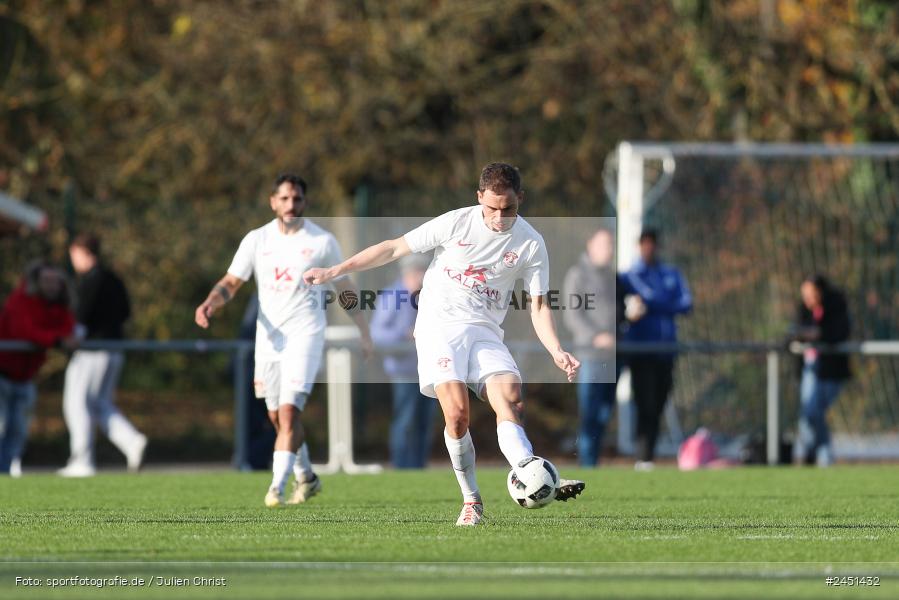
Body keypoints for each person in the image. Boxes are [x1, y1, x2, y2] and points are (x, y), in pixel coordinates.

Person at [303, 162, 585, 526]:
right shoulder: (456, 222)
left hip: (484, 330)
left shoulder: (530, 242)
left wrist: (555, 348)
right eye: (492, 208)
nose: (500, 218)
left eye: (509, 209)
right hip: (439, 326)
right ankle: (472, 500)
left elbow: (539, 304)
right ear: (479, 196)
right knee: (457, 414)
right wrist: (333, 272)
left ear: (521, 199)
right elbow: (392, 249)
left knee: (511, 397)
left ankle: (531, 473)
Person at [195, 173, 372, 507]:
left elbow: (344, 289)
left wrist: (363, 328)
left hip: (305, 334)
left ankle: (276, 487)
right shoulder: (257, 240)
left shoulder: (322, 242)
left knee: (289, 414)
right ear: (273, 201)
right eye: (286, 198)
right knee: (278, 419)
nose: (292, 204)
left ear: (305, 202)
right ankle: (307, 477)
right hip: (269, 340)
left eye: (298, 199)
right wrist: (209, 304)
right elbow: (232, 282)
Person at [59, 234, 147, 477]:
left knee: (77, 404)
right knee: (100, 404)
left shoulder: (90, 280)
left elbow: (81, 316)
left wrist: (74, 338)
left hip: (92, 351)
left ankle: (82, 460)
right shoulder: (114, 279)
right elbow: (126, 312)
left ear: (82, 252)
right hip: (115, 349)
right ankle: (131, 442)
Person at [622, 228, 692, 470]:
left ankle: (647, 454)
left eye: (653, 244)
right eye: (645, 244)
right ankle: (643, 456)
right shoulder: (631, 276)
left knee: (660, 401)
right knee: (645, 403)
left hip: (666, 351)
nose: (649, 249)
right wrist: (663, 303)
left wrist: (654, 304)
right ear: (640, 247)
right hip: (642, 351)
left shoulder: (670, 273)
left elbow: (686, 303)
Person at [0, 261, 76, 475]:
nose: (51, 285)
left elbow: (68, 328)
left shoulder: (57, 305)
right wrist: (57, 340)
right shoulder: (21, 301)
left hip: (25, 377)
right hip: (3, 374)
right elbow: (25, 331)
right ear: (36, 281)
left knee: (18, 432)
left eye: (55, 281)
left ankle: (5, 476)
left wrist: (60, 338)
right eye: (46, 280)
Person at [562, 228, 626, 466]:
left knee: (604, 413)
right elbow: (572, 315)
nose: (608, 250)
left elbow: (621, 311)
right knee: (589, 413)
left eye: (611, 245)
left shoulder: (613, 277)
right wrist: (596, 337)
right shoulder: (577, 275)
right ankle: (587, 465)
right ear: (590, 246)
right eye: (603, 245)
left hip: (614, 356)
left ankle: (594, 462)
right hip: (589, 355)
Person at [370, 254, 436, 469]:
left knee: (425, 423)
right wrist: (405, 334)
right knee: (405, 421)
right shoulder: (392, 296)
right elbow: (377, 334)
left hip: (432, 370)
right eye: (418, 271)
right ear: (408, 272)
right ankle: (402, 467)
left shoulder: (431, 296)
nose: (422, 275)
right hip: (404, 370)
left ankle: (419, 468)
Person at [791, 275, 850, 467]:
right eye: (804, 294)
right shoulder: (804, 311)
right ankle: (820, 454)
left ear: (820, 292)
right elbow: (797, 333)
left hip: (831, 370)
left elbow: (839, 332)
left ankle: (814, 453)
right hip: (810, 369)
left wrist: (818, 333)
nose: (807, 298)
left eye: (810, 293)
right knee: (811, 412)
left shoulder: (835, 307)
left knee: (814, 412)